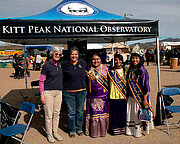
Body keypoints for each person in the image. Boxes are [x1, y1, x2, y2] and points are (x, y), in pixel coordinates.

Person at [126, 53, 154, 138]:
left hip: (140, 97)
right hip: (132, 96)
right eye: (133, 58)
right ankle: (131, 130)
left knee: (138, 114)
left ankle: (139, 131)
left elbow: (146, 85)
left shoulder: (142, 70)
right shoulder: (131, 69)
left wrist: (145, 98)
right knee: (133, 114)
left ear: (140, 59)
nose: (134, 60)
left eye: (136, 58)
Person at [39, 47, 63, 143]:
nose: (58, 56)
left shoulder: (60, 65)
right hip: (48, 92)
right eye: (56, 54)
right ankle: (49, 133)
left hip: (58, 92)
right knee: (49, 115)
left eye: (59, 54)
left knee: (57, 113)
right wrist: (42, 94)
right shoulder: (46, 65)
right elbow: (41, 81)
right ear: (52, 54)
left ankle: (55, 131)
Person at [62, 46, 87, 138]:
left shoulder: (83, 63)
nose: (74, 56)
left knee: (80, 111)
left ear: (78, 55)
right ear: (69, 55)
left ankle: (79, 128)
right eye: (72, 54)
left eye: (76, 54)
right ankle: (72, 130)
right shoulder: (65, 64)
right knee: (70, 112)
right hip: (68, 92)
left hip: (81, 92)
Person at [85, 53, 109, 138]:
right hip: (92, 96)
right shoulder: (88, 69)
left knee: (102, 115)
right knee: (93, 115)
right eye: (94, 59)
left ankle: (103, 131)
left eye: (97, 59)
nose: (96, 61)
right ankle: (93, 132)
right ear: (91, 60)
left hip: (103, 96)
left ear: (101, 59)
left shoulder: (106, 69)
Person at [107, 54, 127, 135]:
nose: (118, 62)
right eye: (116, 60)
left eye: (120, 60)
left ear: (122, 61)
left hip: (123, 95)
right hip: (113, 95)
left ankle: (123, 128)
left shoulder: (126, 70)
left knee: (122, 113)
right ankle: (115, 129)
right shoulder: (110, 71)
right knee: (114, 114)